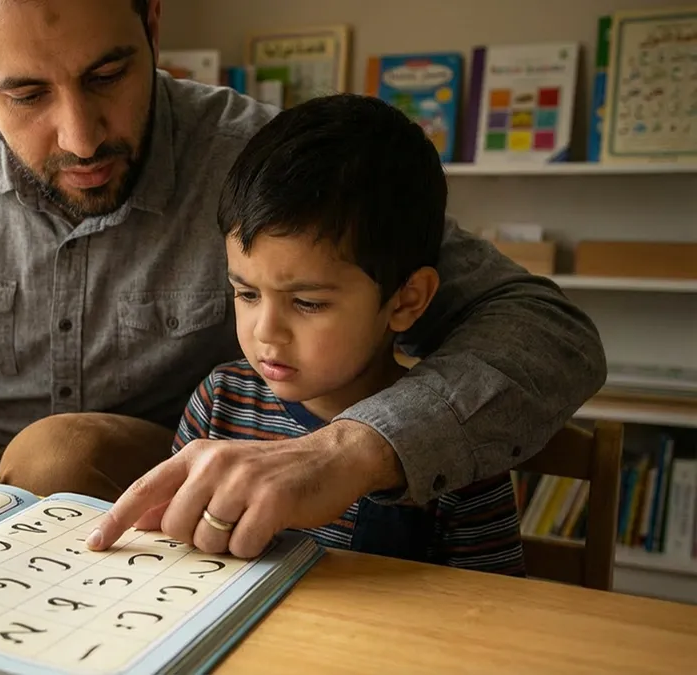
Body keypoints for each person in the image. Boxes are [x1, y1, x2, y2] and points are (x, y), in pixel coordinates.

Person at [0, 0, 605, 517]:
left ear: (152, 25)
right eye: (25, 94)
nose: (80, 133)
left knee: (58, 453)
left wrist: (352, 447)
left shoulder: (254, 159)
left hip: (150, 462)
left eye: (108, 74)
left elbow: (549, 331)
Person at [87, 94, 525, 575]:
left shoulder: (453, 445)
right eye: (246, 293)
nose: (266, 331)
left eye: (308, 303)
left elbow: (492, 605)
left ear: (405, 300)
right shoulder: (220, 402)